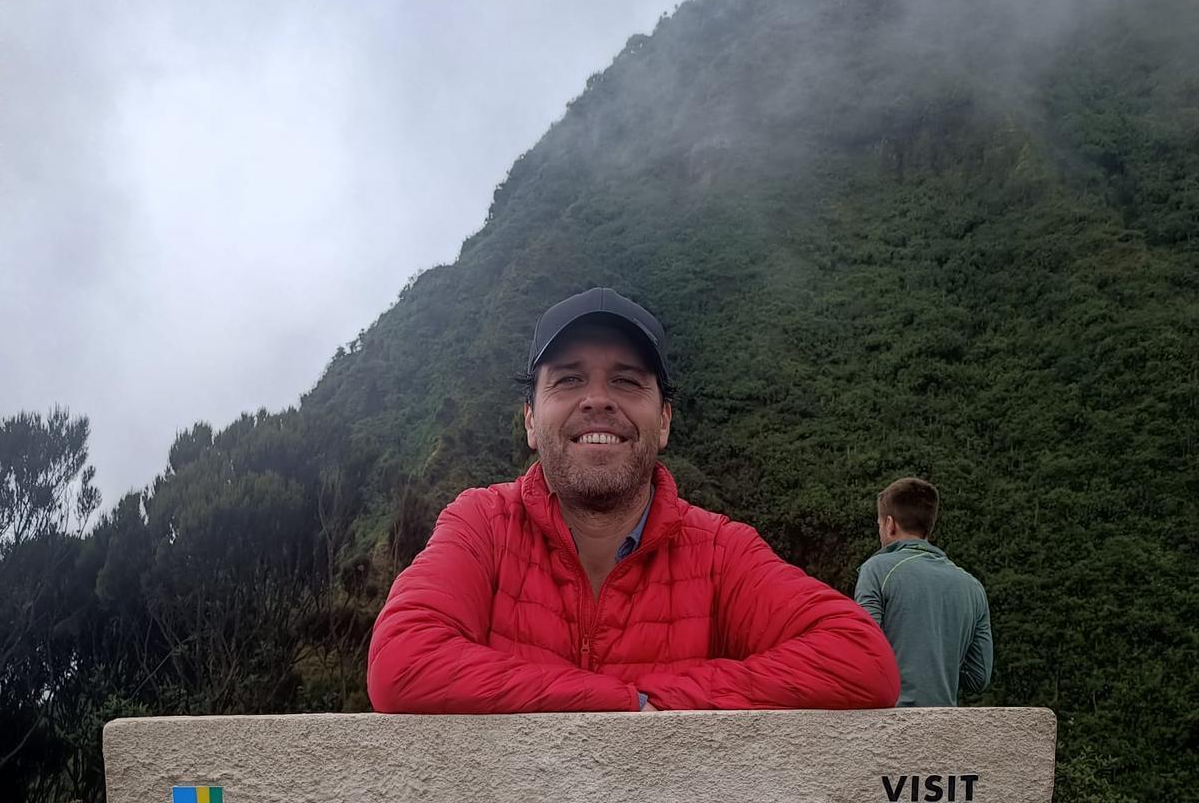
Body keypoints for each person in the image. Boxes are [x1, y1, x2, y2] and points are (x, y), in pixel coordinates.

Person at [367, 287, 899, 714]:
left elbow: (860, 658)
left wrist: (668, 699)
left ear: (663, 420)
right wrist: (623, 702)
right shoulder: (481, 523)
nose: (598, 399)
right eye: (569, 379)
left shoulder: (720, 551)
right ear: (531, 418)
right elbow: (403, 662)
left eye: (626, 381)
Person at [854, 478, 993, 708]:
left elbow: (865, 653)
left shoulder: (877, 570)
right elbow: (978, 678)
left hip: (890, 725)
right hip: (943, 729)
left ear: (890, 524)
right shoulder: (973, 587)